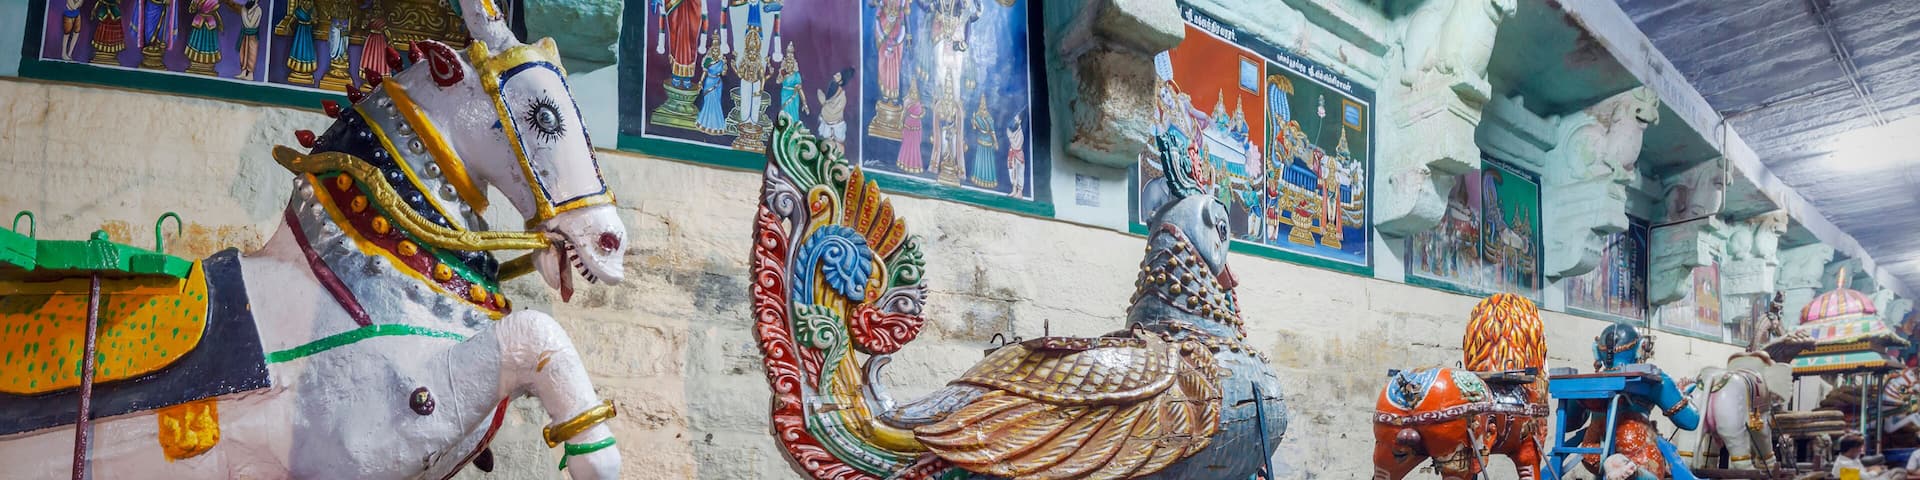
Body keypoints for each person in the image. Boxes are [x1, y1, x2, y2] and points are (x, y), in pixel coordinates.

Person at [1836, 434, 1904, 480]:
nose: (1860, 450)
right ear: (1852, 449)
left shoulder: (1850, 459)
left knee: (1897, 471)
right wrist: (1876, 471)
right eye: (1859, 448)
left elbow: (1858, 473)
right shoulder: (1844, 464)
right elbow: (1866, 478)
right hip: (1870, 478)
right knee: (1899, 472)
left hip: (1869, 477)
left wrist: (1868, 469)